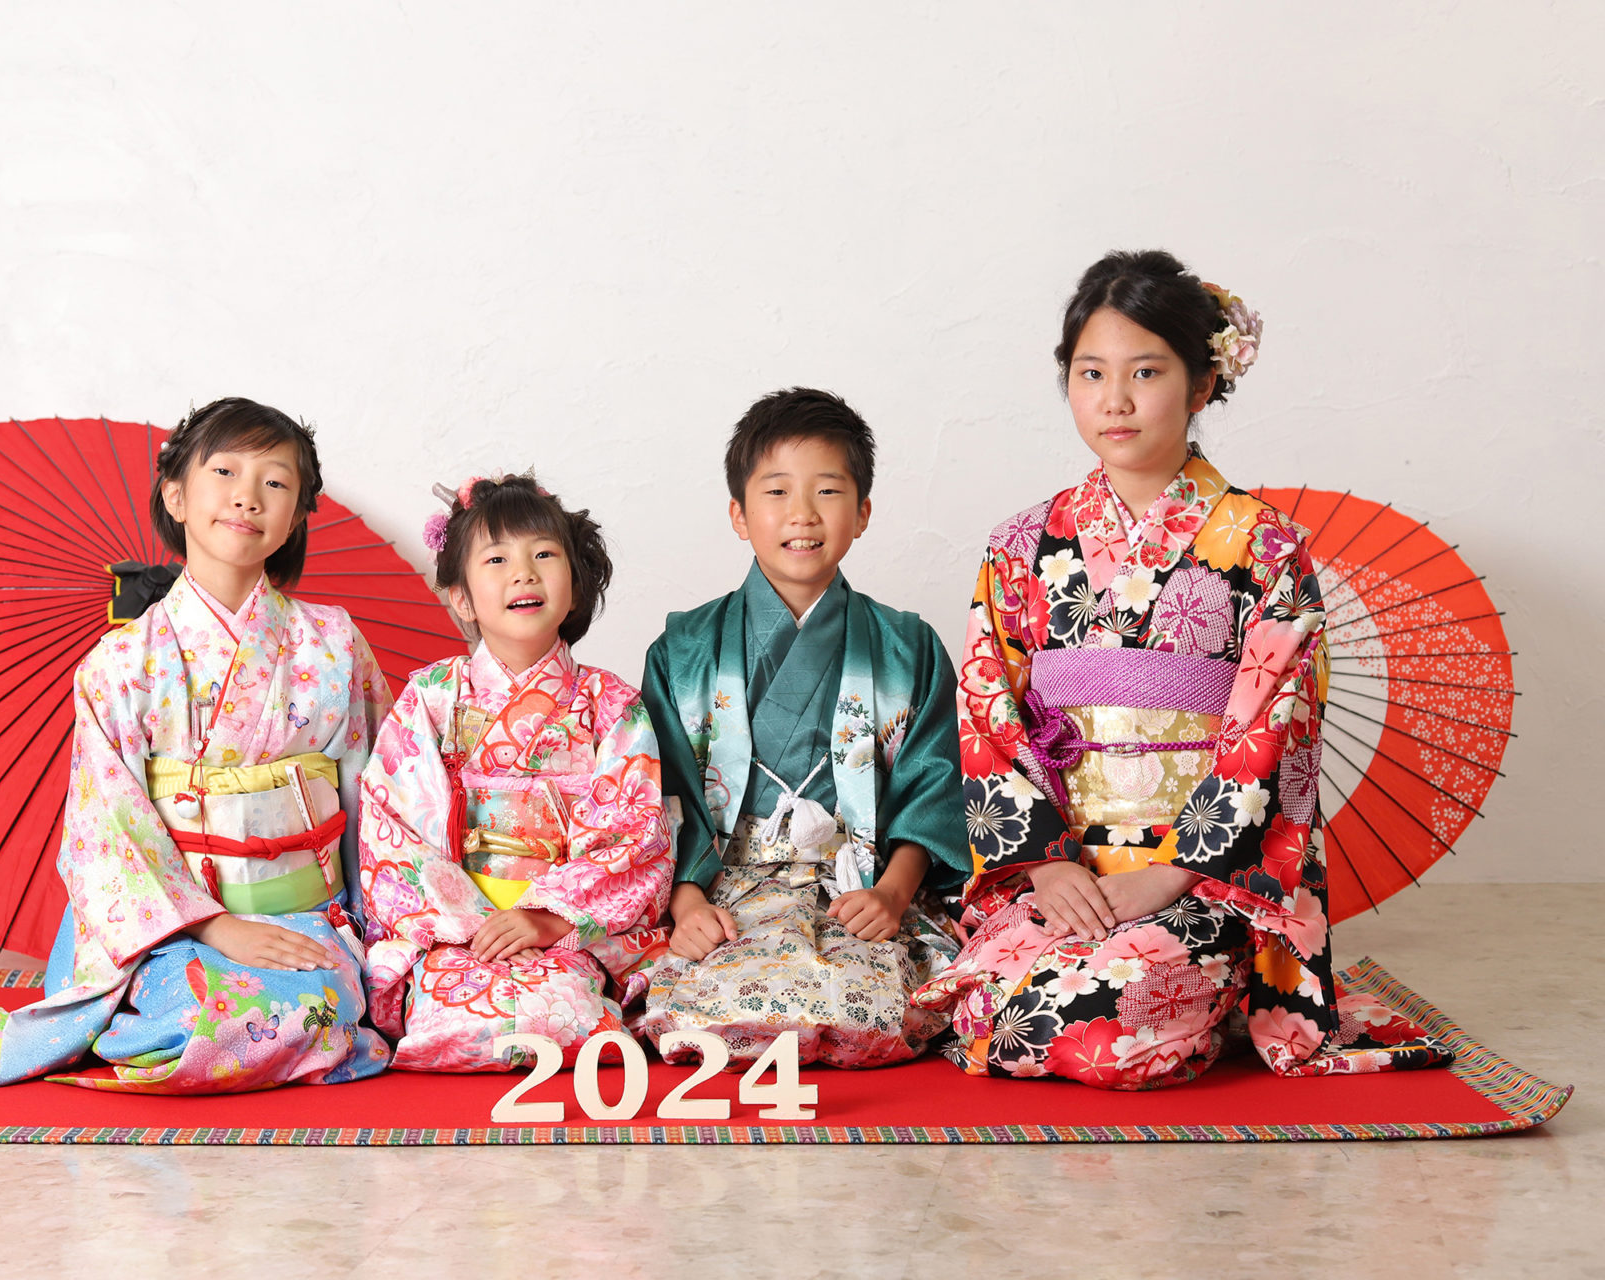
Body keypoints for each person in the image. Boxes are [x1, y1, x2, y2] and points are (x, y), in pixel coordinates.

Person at [912, 251, 1452, 1088]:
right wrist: (1047, 863)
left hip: (1202, 877)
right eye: (1091, 372)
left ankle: (1223, 990)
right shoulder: (1022, 544)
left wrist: (1172, 874)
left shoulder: (1264, 544)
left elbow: (1275, 728)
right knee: (988, 1013)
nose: (1115, 399)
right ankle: (1177, 997)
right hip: (1067, 870)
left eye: (1146, 371)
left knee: (1111, 1021)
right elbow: (988, 707)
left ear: (1201, 384)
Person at [0, 398, 393, 1091]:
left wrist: (378, 930)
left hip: (305, 917)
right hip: (171, 929)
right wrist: (214, 927)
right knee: (210, 1020)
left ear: (295, 518)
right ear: (176, 496)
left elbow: (379, 796)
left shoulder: (335, 643)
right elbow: (106, 825)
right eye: (224, 472)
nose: (247, 496)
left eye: (276, 482)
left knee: (318, 1005)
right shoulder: (123, 662)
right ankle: (140, 1013)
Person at [635, 389, 966, 1069]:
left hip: (858, 882)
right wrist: (687, 900)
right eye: (778, 491)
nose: (803, 514)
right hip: (723, 885)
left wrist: (893, 894)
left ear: (863, 512)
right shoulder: (685, 650)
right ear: (738, 513)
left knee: (876, 1002)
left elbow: (931, 789)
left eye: (828, 490)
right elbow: (663, 793)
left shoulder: (907, 647)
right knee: (700, 1003)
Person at [358, 474, 673, 1071]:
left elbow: (635, 830)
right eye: (497, 559)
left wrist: (548, 918)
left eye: (544, 555)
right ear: (462, 598)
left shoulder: (610, 703)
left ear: (575, 586)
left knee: (563, 1010)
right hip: (459, 932)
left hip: (565, 929)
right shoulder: (432, 696)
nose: (523, 573)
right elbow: (391, 826)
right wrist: (471, 925)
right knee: (456, 1017)